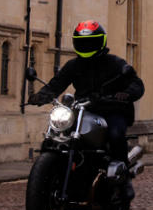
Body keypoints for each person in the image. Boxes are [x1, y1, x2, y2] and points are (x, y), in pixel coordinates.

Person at [29, 21, 144, 167]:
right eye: (83, 43)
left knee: (115, 135)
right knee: (59, 134)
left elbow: (137, 84)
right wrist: (41, 96)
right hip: (85, 110)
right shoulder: (74, 65)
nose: (87, 46)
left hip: (113, 110)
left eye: (91, 42)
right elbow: (57, 83)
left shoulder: (115, 63)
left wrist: (126, 94)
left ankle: (122, 178)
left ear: (100, 42)